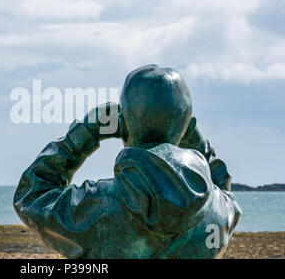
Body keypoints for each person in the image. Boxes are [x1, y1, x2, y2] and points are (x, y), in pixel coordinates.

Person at [13, 64, 241, 258]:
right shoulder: (219, 209)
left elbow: (31, 196)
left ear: (124, 123)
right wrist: (194, 139)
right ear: (186, 126)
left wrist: (85, 134)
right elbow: (224, 188)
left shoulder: (97, 204)